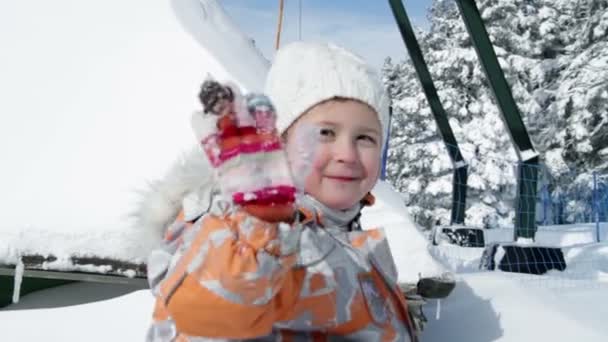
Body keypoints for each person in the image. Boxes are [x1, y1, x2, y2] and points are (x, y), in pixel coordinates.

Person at [145, 41, 417, 341]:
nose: (347, 154)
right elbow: (209, 311)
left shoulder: (345, 233)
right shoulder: (247, 231)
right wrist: (254, 228)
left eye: (365, 137)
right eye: (325, 133)